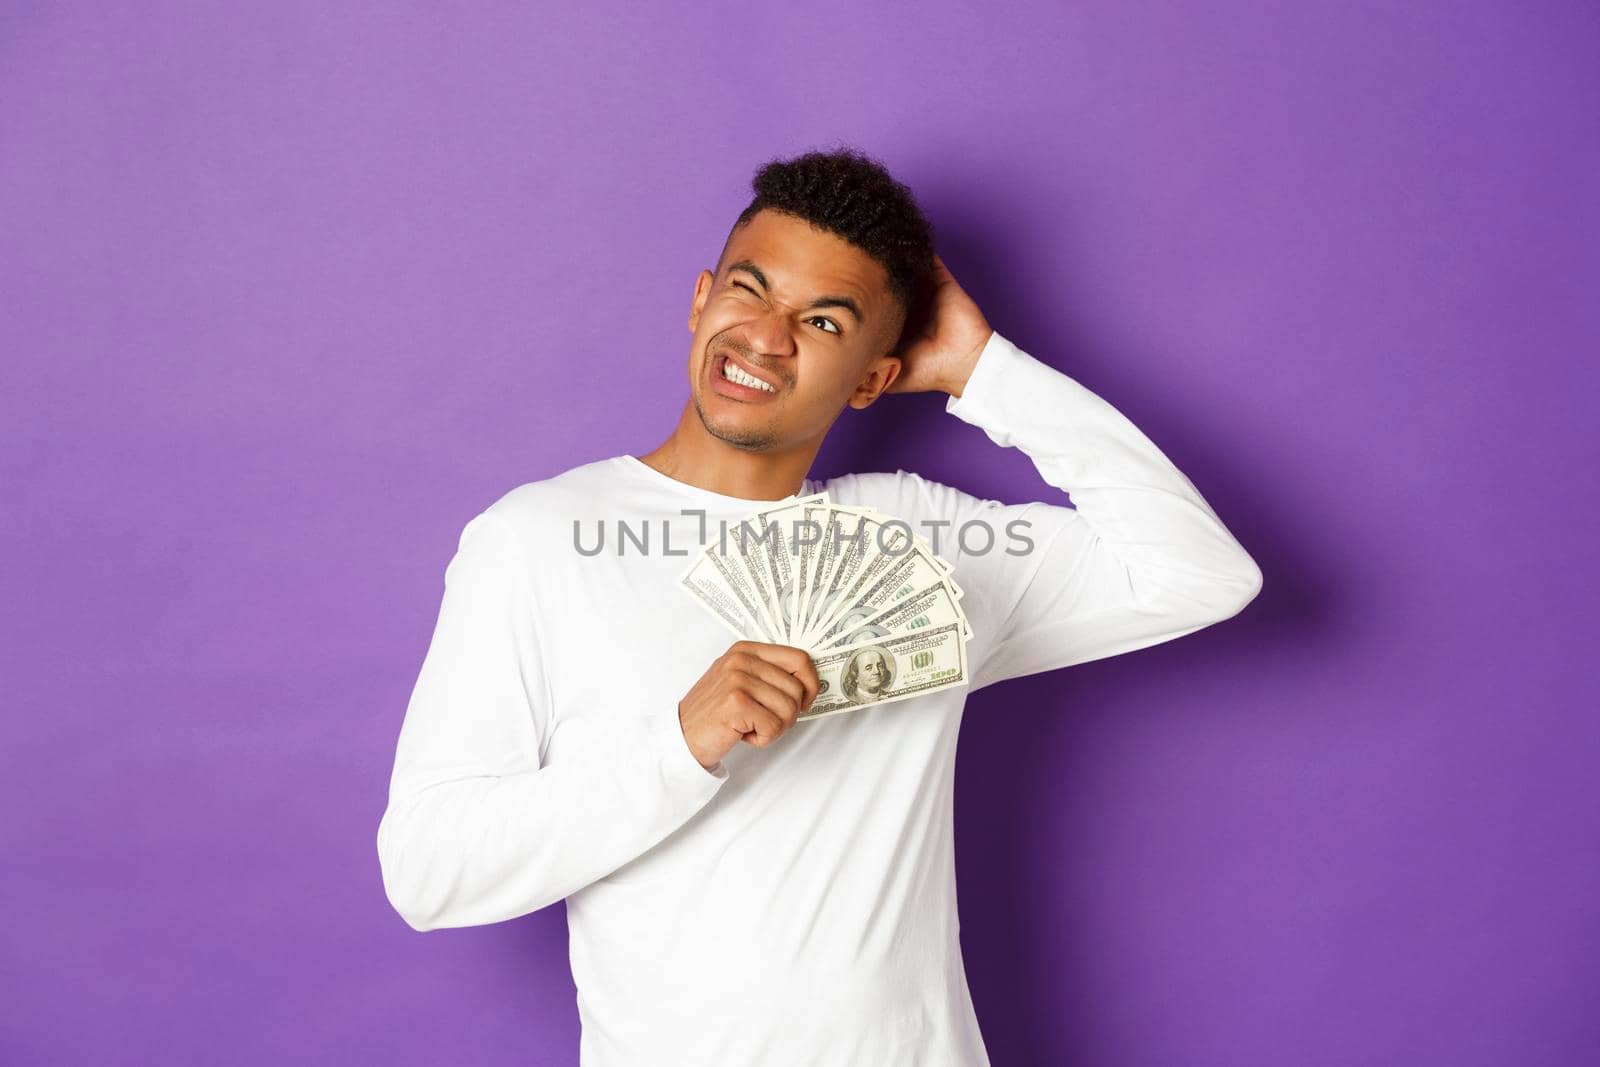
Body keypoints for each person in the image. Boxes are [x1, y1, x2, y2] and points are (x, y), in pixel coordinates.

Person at [375, 147, 1263, 1065]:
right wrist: (677, 744)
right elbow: (428, 872)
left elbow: (1198, 572)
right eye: (748, 290)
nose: (765, 336)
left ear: (876, 377)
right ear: (699, 298)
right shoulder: (538, 538)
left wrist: (985, 371)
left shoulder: (921, 539)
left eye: (824, 321)